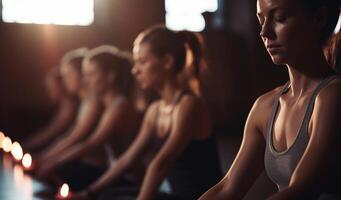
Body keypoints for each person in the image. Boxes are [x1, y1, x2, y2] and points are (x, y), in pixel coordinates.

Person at [199, 0, 341, 199]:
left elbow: (300, 191)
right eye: (261, 20)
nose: (264, 32)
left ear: (318, 18)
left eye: (280, 18)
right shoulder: (266, 106)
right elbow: (227, 187)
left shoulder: (336, 94)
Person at [72, 25, 222, 200]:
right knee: (107, 195)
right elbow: (127, 159)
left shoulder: (189, 105)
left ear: (167, 62)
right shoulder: (154, 111)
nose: (135, 70)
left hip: (200, 197)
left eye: (142, 62)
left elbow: (161, 164)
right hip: (174, 195)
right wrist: (88, 193)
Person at [36, 45, 142, 191]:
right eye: (85, 74)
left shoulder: (119, 107)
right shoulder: (108, 106)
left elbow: (90, 143)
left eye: (91, 74)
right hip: (115, 174)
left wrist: (51, 162)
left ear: (110, 77)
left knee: (65, 173)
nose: (86, 80)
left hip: (129, 180)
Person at [23, 66, 80, 153]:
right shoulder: (64, 107)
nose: (49, 91)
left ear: (62, 85)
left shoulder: (70, 108)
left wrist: (23, 146)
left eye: (51, 87)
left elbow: (49, 134)